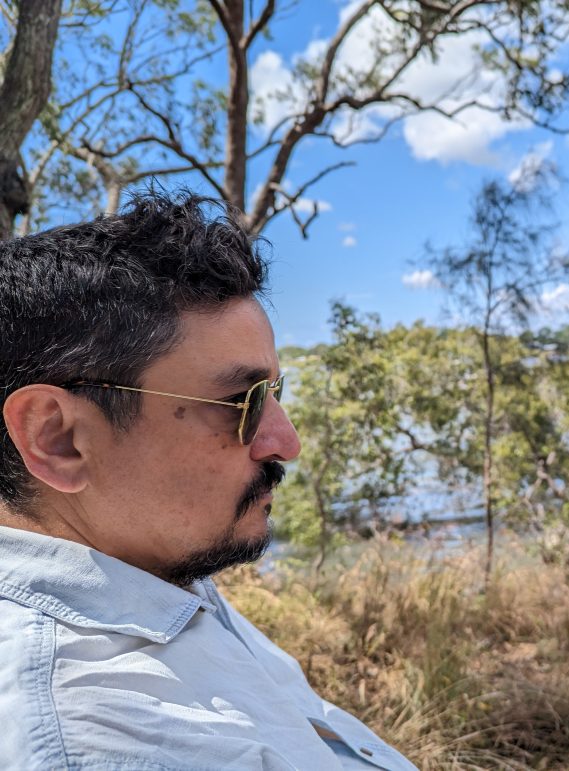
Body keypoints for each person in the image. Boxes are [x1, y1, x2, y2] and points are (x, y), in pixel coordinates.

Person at [0, 191, 417, 770]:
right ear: (57, 438)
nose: (285, 442)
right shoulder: (94, 735)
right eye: (240, 401)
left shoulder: (151, 563)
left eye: (275, 391)